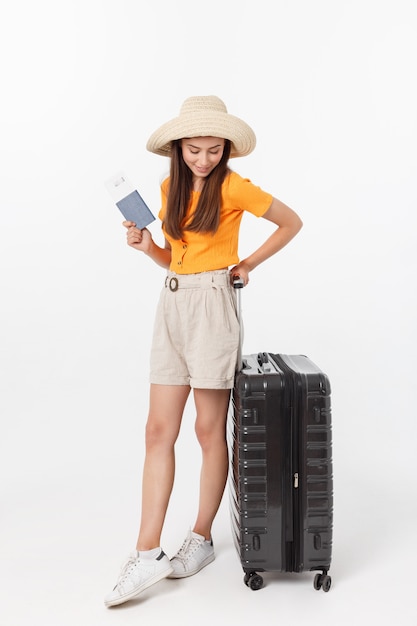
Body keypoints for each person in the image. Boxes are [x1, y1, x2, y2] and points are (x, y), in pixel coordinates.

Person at [104, 95, 303, 607]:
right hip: (171, 300)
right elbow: (179, 258)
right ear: (177, 147)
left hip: (215, 304)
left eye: (214, 150)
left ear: (226, 150)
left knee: (208, 429)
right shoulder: (170, 187)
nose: (204, 159)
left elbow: (290, 222)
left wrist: (248, 264)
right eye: (194, 149)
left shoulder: (234, 186)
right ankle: (146, 552)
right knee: (157, 429)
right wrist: (149, 248)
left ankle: (199, 538)